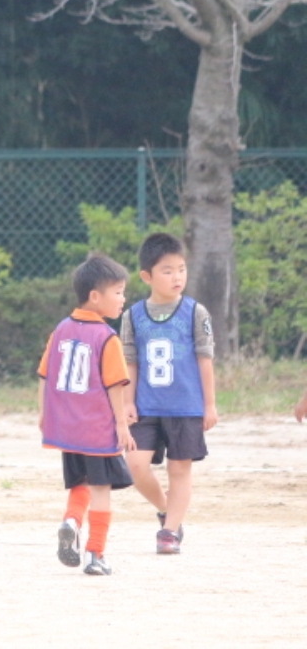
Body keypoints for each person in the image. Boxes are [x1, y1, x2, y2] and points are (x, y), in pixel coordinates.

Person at [38, 253, 136, 576]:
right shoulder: (106, 337)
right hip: (97, 428)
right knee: (101, 489)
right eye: (118, 292)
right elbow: (114, 385)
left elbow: (45, 375)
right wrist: (121, 424)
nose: (123, 299)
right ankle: (95, 554)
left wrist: (44, 414)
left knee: (79, 482)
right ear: (95, 296)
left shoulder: (60, 330)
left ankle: (70, 521)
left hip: (68, 428)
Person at [120, 232, 217, 555]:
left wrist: (209, 405)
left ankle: (170, 531)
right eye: (167, 271)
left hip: (186, 407)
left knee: (179, 468)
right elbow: (130, 362)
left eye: (181, 269)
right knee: (135, 465)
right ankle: (166, 508)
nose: (177, 277)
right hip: (147, 406)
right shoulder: (133, 315)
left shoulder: (195, 312)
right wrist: (128, 401)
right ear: (147, 276)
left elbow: (205, 360)